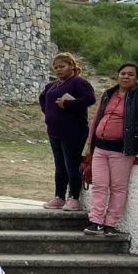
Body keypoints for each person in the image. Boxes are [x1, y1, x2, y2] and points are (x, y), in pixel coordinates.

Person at [84, 62, 138, 236]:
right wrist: (90, 143)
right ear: (117, 76)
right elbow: (96, 119)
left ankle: (110, 223)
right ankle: (95, 221)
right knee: (99, 185)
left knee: (117, 187)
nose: (126, 77)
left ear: (137, 79)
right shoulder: (108, 94)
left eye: (131, 74)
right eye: (123, 73)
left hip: (122, 150)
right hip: (100, 148)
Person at [39, 52, 95, 212]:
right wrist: (48, 112)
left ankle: (74, 198)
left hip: (73, 131)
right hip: (54, 131)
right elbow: (43, 98)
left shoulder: (79, 82)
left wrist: (69, 104)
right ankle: (59, 196)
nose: (58, 70)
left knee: (71, 164)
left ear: (71, 66)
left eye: (62, 66)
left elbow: (89, 99)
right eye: (55, 67)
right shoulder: (52, 85)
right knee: (59, 165)